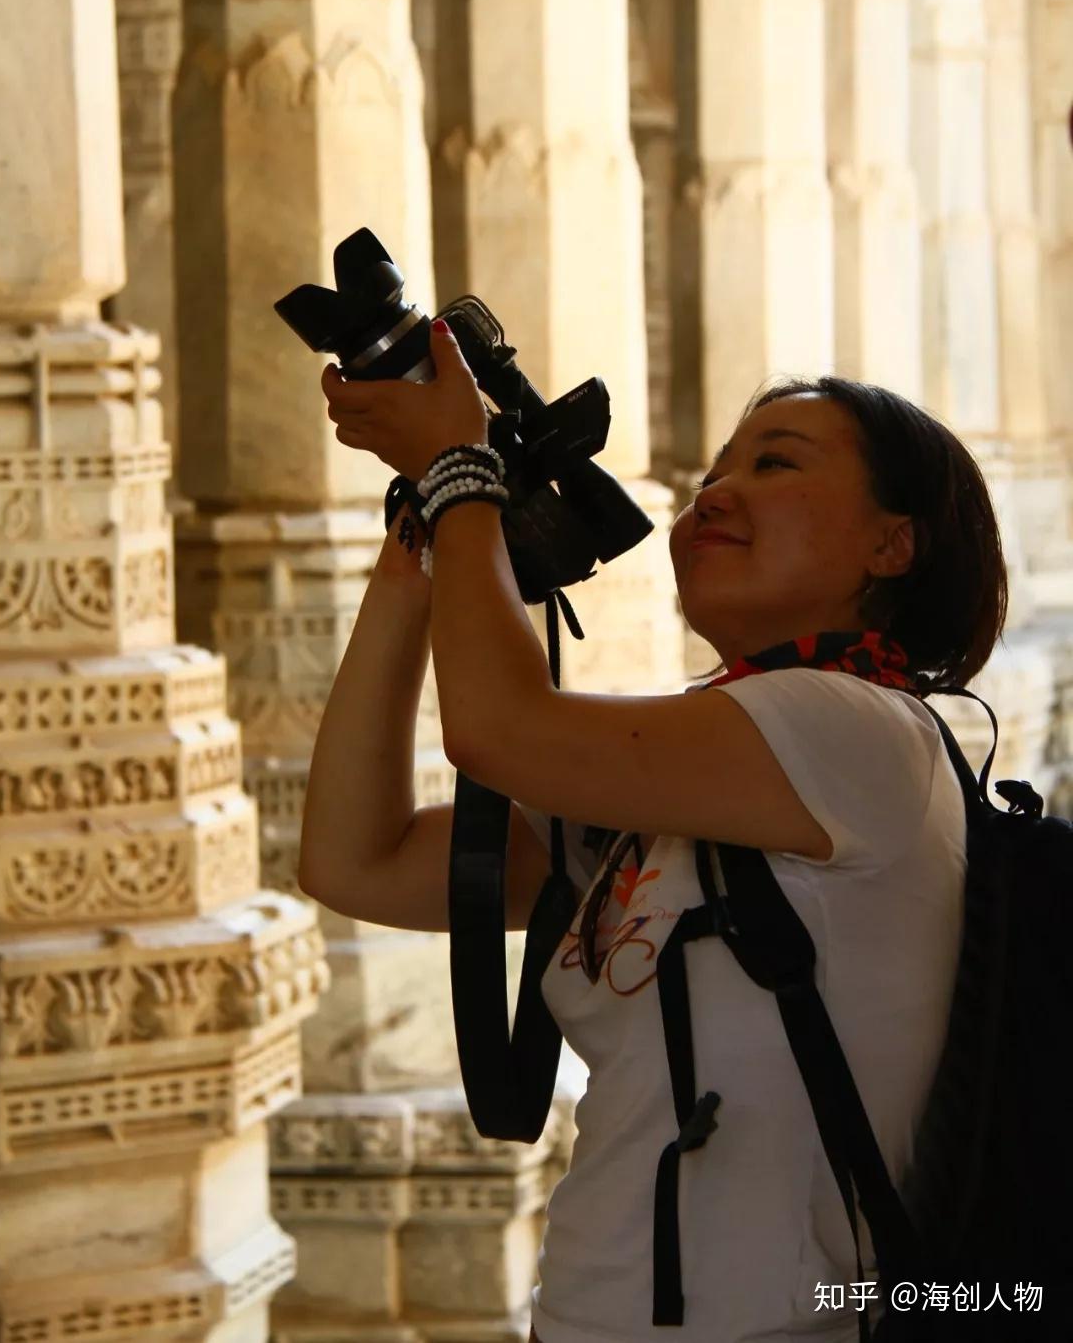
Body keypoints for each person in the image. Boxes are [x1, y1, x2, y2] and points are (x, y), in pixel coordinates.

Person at [298, 321, 1007, 1343]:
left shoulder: (857, 730)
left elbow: (501, 732)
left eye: (775, 464)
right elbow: (354, 859)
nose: (716, 491)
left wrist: (459, 477)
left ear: (891, 544)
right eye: (717, 468)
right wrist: (420, 543)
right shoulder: (694, 781)